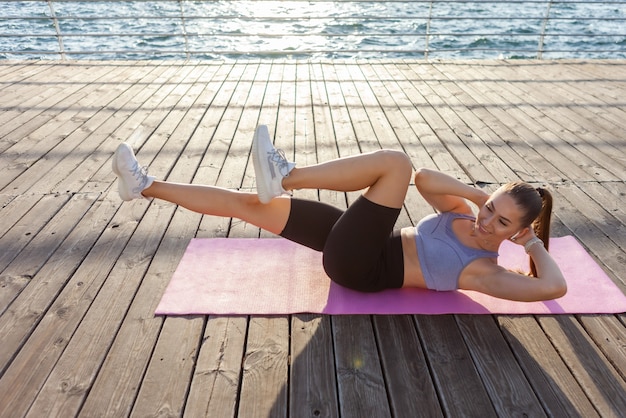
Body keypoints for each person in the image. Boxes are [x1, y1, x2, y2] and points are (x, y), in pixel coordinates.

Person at [112, 125, 567, 302]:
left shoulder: (483, 271)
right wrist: (477, 193)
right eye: (491, 209)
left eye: (501, 222)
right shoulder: (464, 216)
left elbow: (554, 286)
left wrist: (529, 242)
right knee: (250, 204)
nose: (486, 221)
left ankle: (286, 175)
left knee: (395, 164)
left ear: (518, 230)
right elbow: (427, 179)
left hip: (360, 265)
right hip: (358, 242)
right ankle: (144, 186)